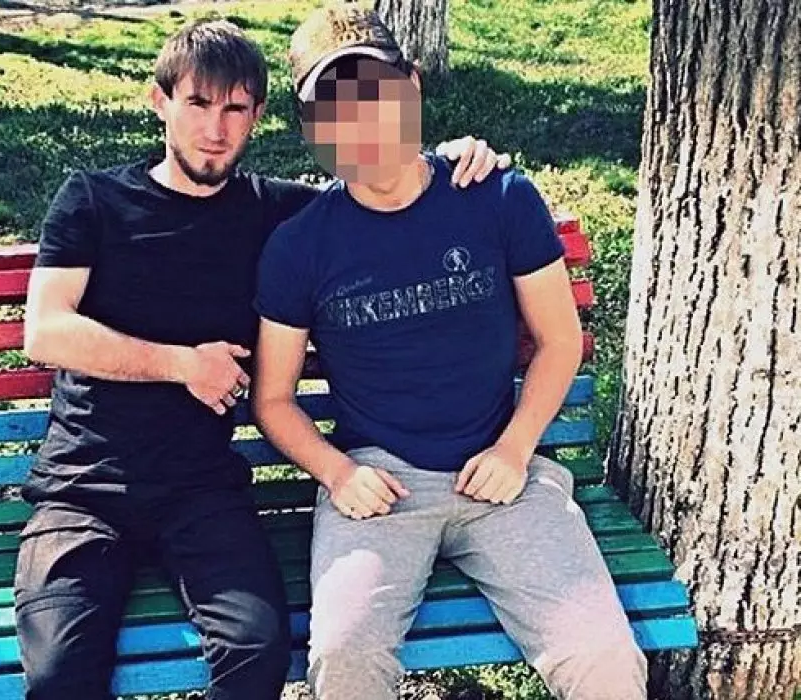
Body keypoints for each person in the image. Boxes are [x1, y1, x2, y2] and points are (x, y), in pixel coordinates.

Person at [14, 17, 508, 700]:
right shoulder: (93, 201)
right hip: (82, 490)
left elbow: (383, 185)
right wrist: (183, 364)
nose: (215, 129)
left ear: (257, 117)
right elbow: (46, 331)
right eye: (198, 103)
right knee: (61, 674)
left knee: (255, 650)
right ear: (160, 101)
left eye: (236, 109)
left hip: (200, 490)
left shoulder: (276, 214)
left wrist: (453, 160)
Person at [252, 7, 648, 700]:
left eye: (373, 96)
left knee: (604, 661)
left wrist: (515, 449)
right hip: (380, 485)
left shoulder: (496, 196)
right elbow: (274, 398)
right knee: (344, 659)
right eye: (332, 110)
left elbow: (560, 340)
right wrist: (339, 473)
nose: (359, 124)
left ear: (411, 85)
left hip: (502, 475)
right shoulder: (301, 245)